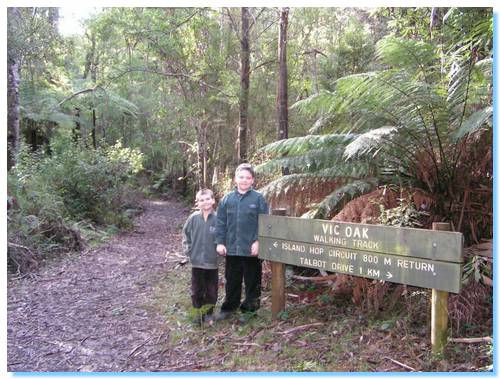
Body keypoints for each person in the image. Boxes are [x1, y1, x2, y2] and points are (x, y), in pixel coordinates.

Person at [215, 163, 269, 323]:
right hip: (231, 249)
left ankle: (250, 310)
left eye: (248, 178)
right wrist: (220, 242)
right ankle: (229, 308)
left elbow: (265, 222)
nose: (244, 180)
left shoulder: (258, 198)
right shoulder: (227, 199)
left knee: (252, 281)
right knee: (232, 280)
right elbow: (220, 222)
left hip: (251, 249)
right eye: (241, 177)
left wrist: (259, 241)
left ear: (252, 180)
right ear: (235, 179)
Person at [182, 189, 219, 325]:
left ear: (213, 200)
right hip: (196, 262)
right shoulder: (193, 218)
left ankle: (208, 314)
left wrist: (220, 251)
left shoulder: (218, 219)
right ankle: (198, 313)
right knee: (197, 290)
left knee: (211, 290)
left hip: (212, 262)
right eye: (201, 200)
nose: (205, 202)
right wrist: (188, 250)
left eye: (208, 199)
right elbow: (185, 234)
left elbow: (222, 237)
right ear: (197, 203)